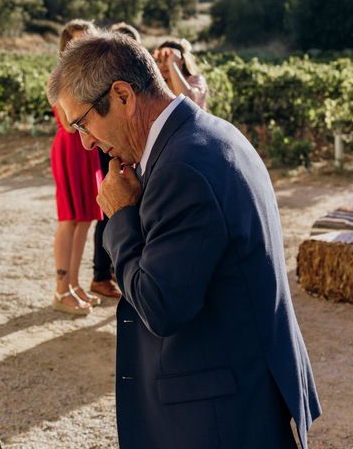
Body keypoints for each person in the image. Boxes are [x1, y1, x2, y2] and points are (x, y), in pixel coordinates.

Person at [47, 32, 321, 448]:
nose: (85, 142)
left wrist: (121, 217)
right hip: (241, 390)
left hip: (221, 417)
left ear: (122, 95)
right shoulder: (206, 134)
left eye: (83, 122)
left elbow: (162, 305)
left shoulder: (182, 168)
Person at [50, 20, 103, 315]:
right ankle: (60, 290)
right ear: (66, 45)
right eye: (78, 41)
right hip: (70, 148)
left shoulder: (92, 76)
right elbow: (71, 125)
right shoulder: (61, 77)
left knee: (85, 219)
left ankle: (74, 283)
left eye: (88, 40)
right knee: (69, 218)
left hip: (88, 147)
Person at [89, 21, 142, 301]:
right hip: (111, 151)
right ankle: (100, 273)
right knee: (109, 211)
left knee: (112, 211)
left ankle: (106, 271)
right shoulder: (105, 84)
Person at [153, 39, 208, 110]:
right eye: (160, 61)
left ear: (181, 60)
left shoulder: (196, 80)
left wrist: (172, 63)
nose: (162, 65)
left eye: (167, 59)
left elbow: (188, 101)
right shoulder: (158, 85)